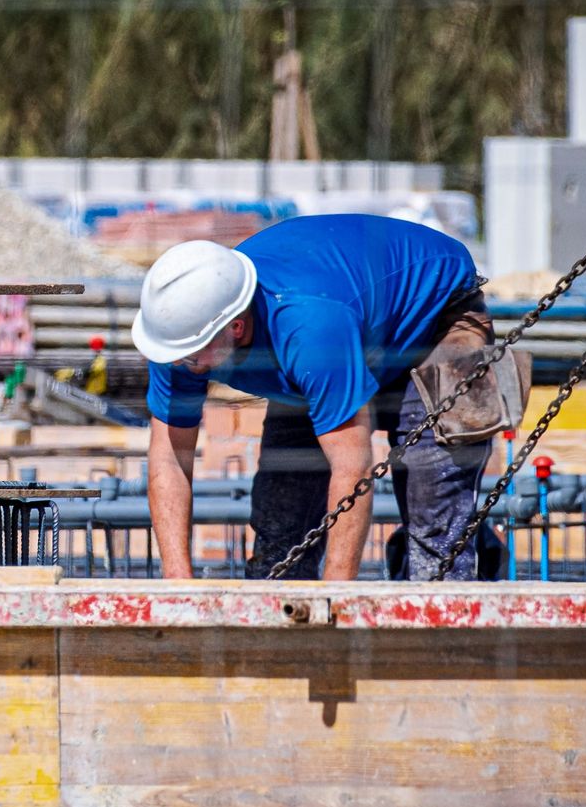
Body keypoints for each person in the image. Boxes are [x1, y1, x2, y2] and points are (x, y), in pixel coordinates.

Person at [131, 214, 497, 581]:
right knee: (281, 533)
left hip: (433, 320)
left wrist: (334, 602)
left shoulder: (308, 330)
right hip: (344, 328)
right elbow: (169, 458)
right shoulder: (180, 339)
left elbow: (352, 466)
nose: (179, 365)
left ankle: (445, 611)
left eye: (192, 356)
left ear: (236, 327)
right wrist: (178, 585)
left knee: (433, 510)